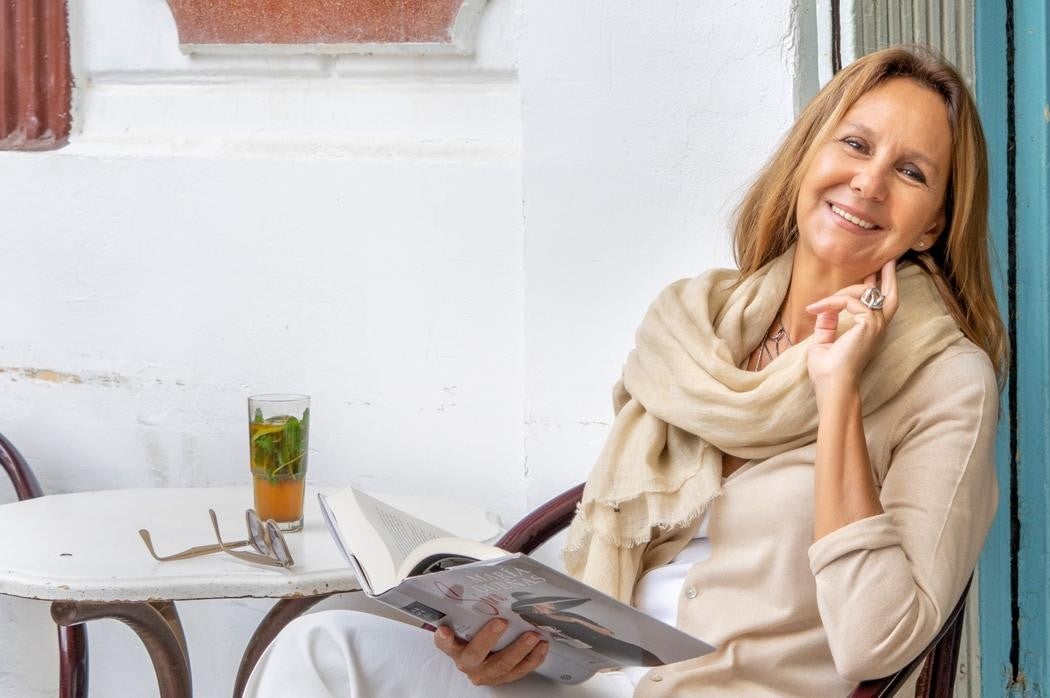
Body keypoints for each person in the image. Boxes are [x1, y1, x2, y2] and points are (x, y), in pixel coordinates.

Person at [243, 45, 1006, 698]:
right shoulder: (701, 326)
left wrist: (839, 393)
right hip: (594, 678)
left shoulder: (947, 381)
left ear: (934, 222)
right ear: (811, 154)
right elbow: (615, 571)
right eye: (856, 145)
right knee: (320, 650)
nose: (869, 183)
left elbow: (881, 641)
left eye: (910, 172)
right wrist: (508, 640)